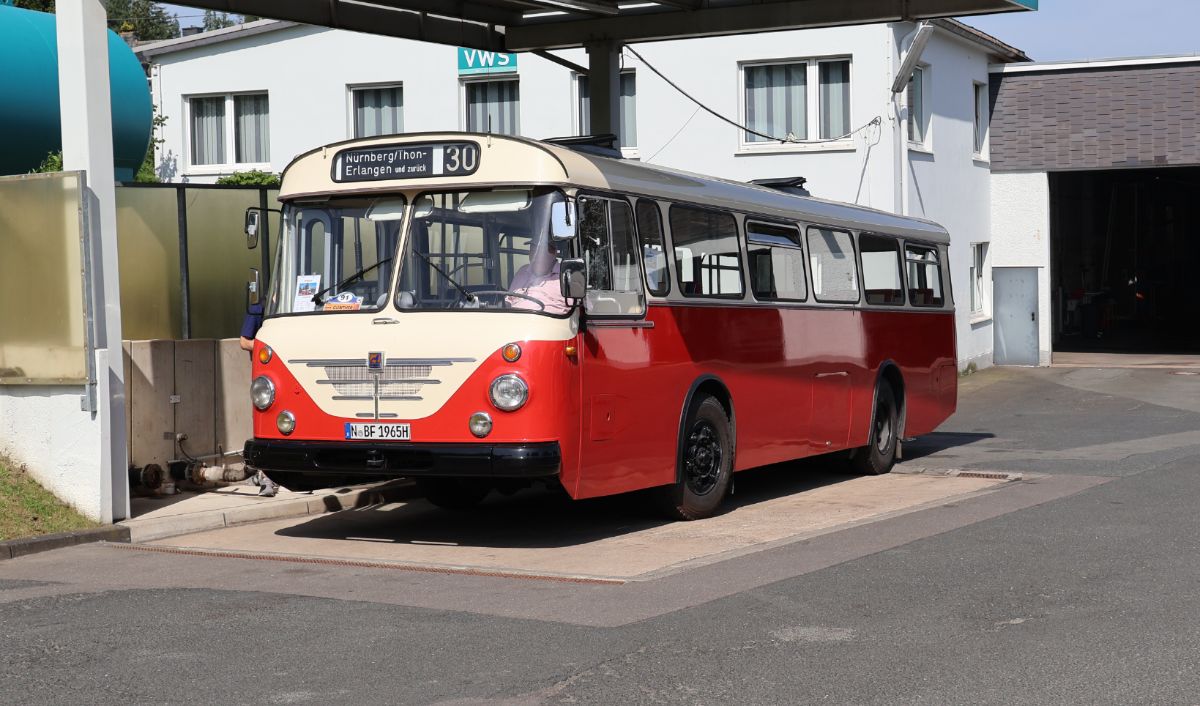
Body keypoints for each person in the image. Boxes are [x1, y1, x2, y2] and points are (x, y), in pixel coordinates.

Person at [239, 301, 280, 497]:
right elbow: (244, 341)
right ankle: (266, 476)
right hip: (268, 376)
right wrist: (270, 345)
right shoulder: (259, 308)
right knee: (265, 422)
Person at [506, 229, 569, 314]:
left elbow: (577, 309)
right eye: (532, 250)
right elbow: (508, 300)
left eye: (540, 250)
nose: (534, 255)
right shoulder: (523, 271)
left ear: (553, 252)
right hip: (513, 321)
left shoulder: (566, 276)